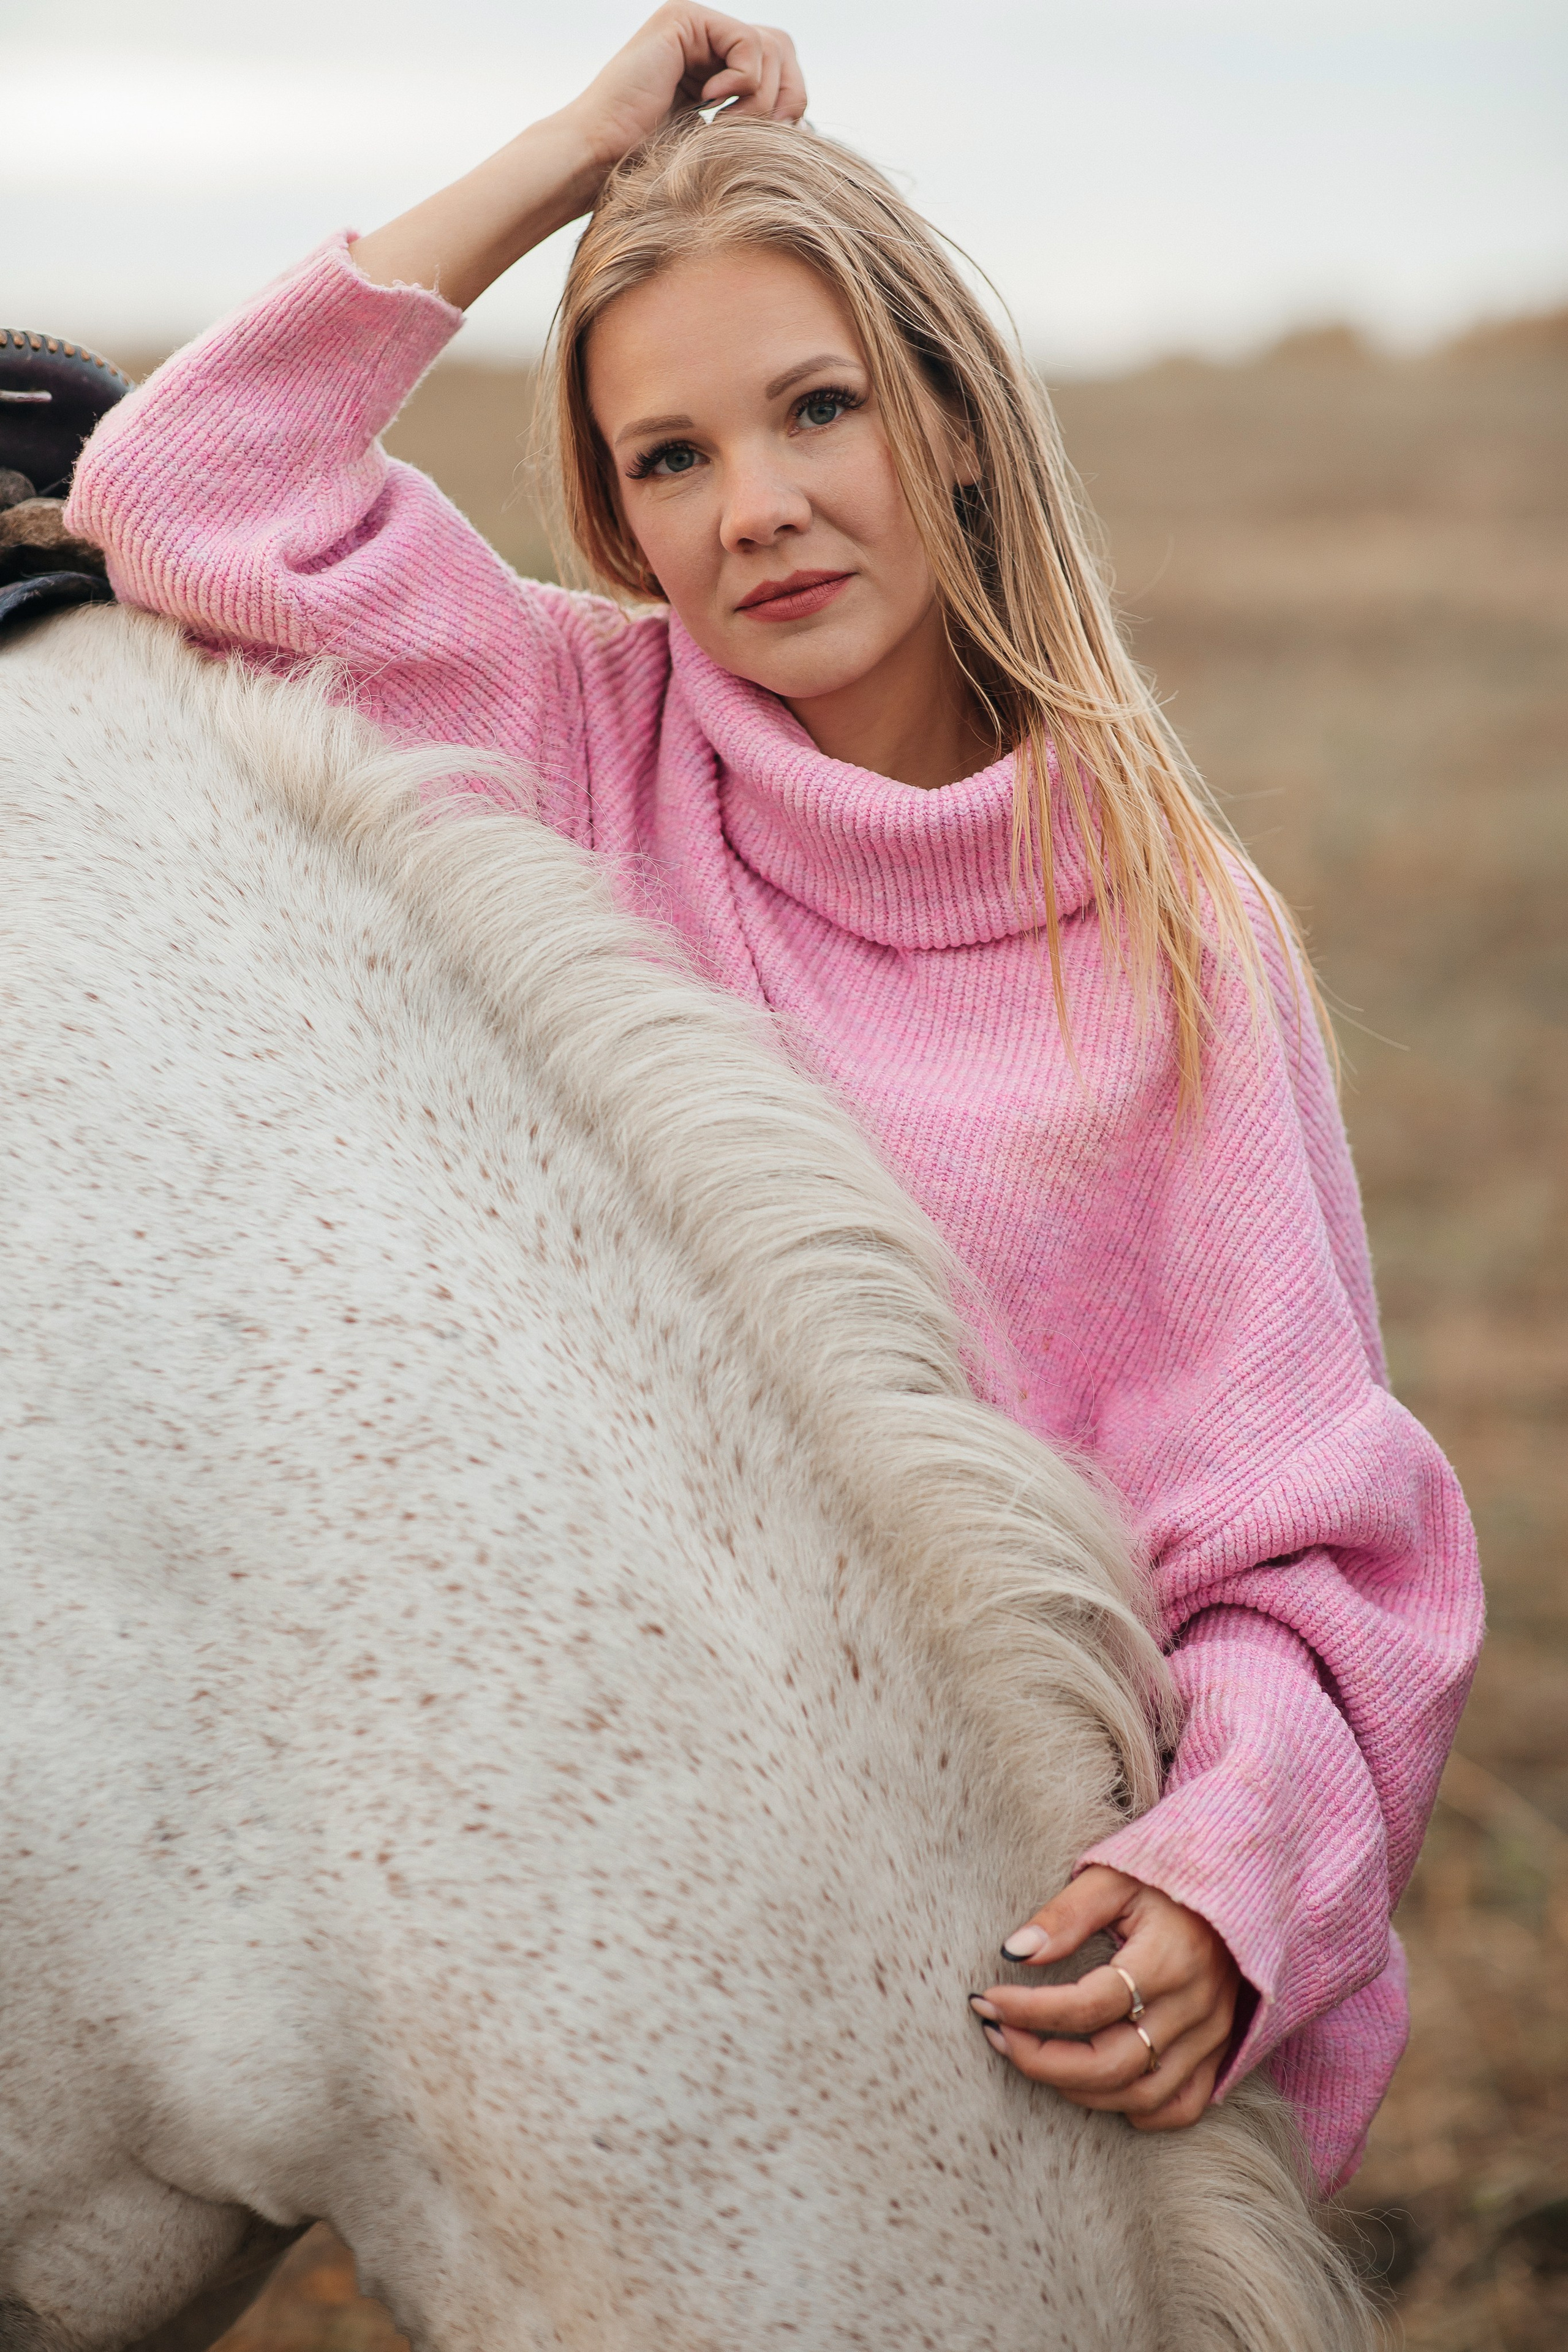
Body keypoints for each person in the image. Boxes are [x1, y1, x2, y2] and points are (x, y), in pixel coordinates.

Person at [67, 4, 1482, 2196]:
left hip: (1036, 1923)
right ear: (622, 518)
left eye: (820, 408)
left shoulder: (1181, 933)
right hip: (624, 1910)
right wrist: (574, 152)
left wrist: (1236, 1882)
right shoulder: (564, 731)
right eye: (673, 457)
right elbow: (172, 491)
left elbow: (1314, 1549)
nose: (765, 510)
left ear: (961, 422)